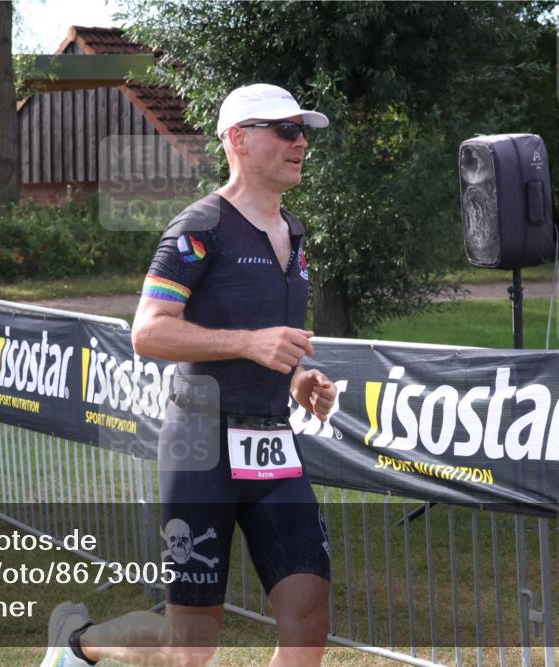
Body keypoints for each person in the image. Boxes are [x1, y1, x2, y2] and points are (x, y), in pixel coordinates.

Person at [42, 83, 338, 667]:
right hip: (200, 445)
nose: (300, 141)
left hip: (271, 442)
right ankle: (79, 643)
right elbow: (147, 332)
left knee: (309, 618)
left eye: (302, 131)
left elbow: (268, 338)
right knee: (189, 646)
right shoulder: (198, 226)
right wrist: (250, 344)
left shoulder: (294, 232)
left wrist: (300, 377)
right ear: (238, 139)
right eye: (284, 130)